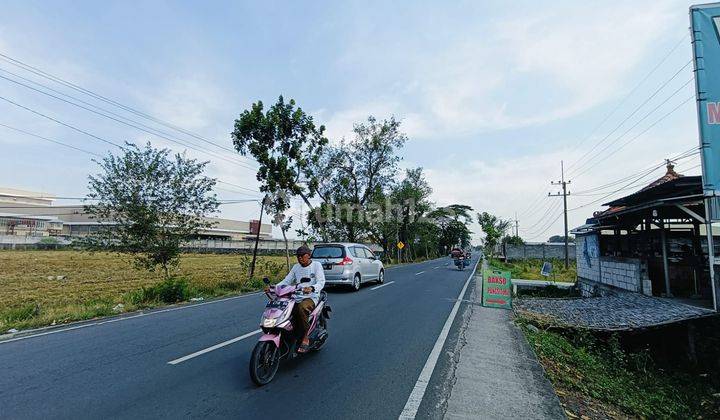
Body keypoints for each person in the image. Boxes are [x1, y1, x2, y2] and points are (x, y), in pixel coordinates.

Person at [268, 245, 325, 353]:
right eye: (298, 256)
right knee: (283, 308)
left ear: (308, 255)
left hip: (311, 297)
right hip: (296, 296)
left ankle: (305, 336)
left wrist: (312, 288)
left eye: (302, 256)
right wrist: (274, 288)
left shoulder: (316, 265)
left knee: (301, 308)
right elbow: (286, 280)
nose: (299, 258)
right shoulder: (296, 267)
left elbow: (321, 282)